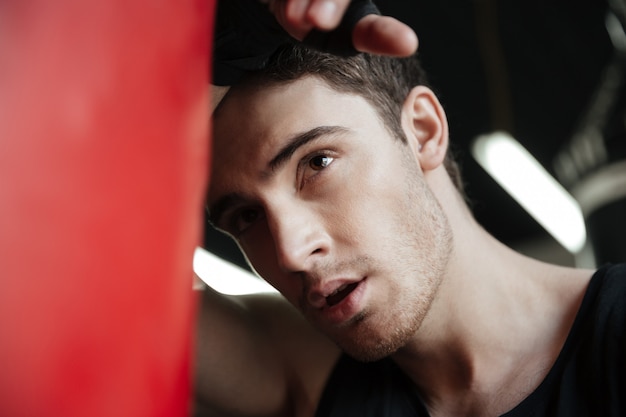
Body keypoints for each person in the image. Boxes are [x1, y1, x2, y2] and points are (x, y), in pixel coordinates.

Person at [196, 4, 626, 417]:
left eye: (317, 163)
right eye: (247, 217)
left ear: (422, 131)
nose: (290, 250)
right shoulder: (301, 369)